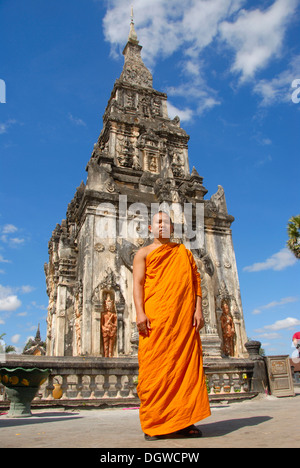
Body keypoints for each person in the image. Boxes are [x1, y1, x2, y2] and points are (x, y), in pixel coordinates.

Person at [133, 211, 211, 440]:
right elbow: (138, 284)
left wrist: (198, 310)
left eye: (166, 223)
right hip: (156, 318)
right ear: (150, 228)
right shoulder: (143, 253)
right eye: (158, 222)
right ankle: (155, 422)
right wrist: (140, 313)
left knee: (185, 367)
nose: (162, 226)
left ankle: (185, 422)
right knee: (154, 369)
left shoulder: (183, 253)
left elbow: (196, 282)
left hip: (182, 320)